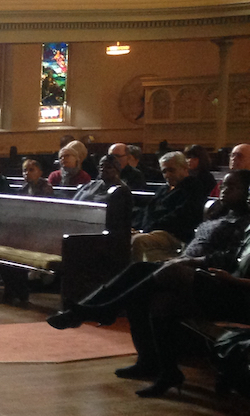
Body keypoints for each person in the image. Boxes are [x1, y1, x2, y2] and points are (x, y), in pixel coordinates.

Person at [48, 170, 250, 397]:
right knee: (155, 297)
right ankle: (158, 366)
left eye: (233, 187)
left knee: (148, 272)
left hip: (215, 279)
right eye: (224, 185)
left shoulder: (244, 222)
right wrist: (183, 257)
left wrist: (192, 261)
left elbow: (230, 257)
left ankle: (100, 309)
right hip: (192, 269)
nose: (224, 190)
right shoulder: (219, 214)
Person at [130, 149, 205, 260]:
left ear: (184, 168)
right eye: (164, 171)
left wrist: (149, 228)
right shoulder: (163, 189)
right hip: (153, 231)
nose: (167, 175)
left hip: (174, 234)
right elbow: (148, 210)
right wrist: (136, 227)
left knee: (139, 240)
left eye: (171, 170)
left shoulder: (193, 187)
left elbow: (181, 215)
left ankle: (138, 273)